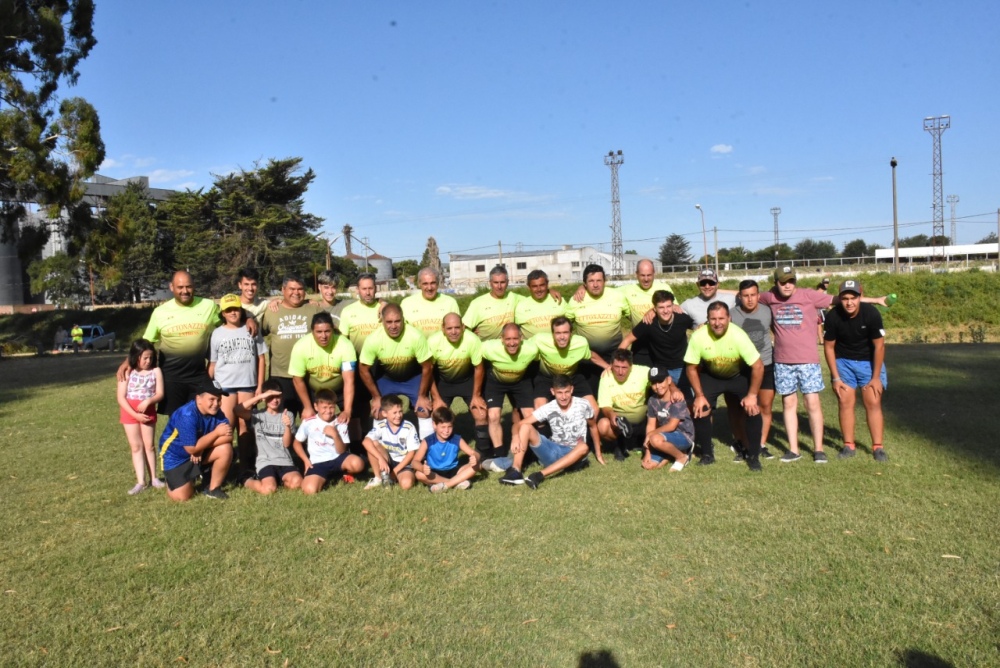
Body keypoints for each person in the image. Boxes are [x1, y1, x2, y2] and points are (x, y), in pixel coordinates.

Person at [124, 271, 221, 417]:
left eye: (188, 287)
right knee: (176, 421)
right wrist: (127, 362)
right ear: (171, 287)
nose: (185, 291)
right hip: (171, 378)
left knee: (200, 420)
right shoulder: (160, 312)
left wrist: (249, 318)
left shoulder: (208, 306)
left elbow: (231, 319)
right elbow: (146, 342)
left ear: (194, 286)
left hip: (199, 376)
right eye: (180, 287)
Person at [684, 301, 765, 471]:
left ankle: (754, 456)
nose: (717, 322)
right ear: (707, 319)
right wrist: (699, 396)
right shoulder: (698, 336)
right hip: (711, 376)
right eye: (713, 319)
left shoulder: (739, 335)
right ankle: (707, 454)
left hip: (738, 376)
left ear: (729, 318)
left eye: (721, 318)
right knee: (700, 408)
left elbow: (758, 366)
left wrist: (752, 395)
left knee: (753, 410)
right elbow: (691, 368)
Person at [485, 374, 594, 489]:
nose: (563, 397)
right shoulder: (549, 407)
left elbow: (593, 427)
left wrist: (598, 453)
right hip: (554, 449)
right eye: (559, 393)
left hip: (574, 456)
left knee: (583, 447)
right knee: (526, 427)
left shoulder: (583, 404)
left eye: (566, 392)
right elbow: (519, 424)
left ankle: (539, 475)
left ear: (572, 389)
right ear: (553, 391)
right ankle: (515, 471)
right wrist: (515, 436)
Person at [823, 280, 889, 462]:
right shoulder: (833, 316)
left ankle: (878, 447)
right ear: (840, 299)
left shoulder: (872, 314)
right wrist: (835, 377)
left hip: (869, 362)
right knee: (845, 402)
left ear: (860, 297)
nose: (849, 302)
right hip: (843, 362)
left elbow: (879, 346)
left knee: (873, 402)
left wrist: (876, 377)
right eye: (845, 298)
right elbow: (828, 347)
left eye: (853, 298)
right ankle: (848, 445)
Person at [208, 293, 267, 468]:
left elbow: (261, 358)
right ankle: (224, 463)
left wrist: (260, 386)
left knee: (246, 426)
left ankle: (246, 465)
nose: (233, 313)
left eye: (236, 309)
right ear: (223, 313)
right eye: (229, 310)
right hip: (225, 385)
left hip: (247, 384)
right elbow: (212, 363)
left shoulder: (252, 329)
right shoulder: (217, 334)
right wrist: (207, 388)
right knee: (227, 426)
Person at [358, 303, 434, 438]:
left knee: (423, 410)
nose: (393, 326)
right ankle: (379, 450)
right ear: (382, 321)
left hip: (412, 377)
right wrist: (376, 397)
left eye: (397, 321)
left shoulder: (415, 335)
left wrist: (422, 396)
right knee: (380, 412)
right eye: (389, 322)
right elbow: (363, 369)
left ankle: (426, 451)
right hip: (387, 378)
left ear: (403, 319)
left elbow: (427, 366)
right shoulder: (373, 339)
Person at [158, 379, 233, 501]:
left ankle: (213, 488)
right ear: (198, 399)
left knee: (226, 449)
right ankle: (176, 478)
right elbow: (191, 448)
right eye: (212, 399)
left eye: (219, 400)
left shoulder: (217, 412)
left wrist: (201, 448)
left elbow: (229, 436)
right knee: (182, 497)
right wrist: (216, 433)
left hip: (198, 450)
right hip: (176, 457)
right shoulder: (187, 415)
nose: (216, 403)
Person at [426, 313, 490, 455]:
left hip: (467, 380)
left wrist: (477, 395)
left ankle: (484, 452)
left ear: (463, 327)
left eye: (457, 328)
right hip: (444, 382)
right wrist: (436, 398)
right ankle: (438, 451)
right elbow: (428, 371)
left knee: (480, 413)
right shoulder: (433, 341)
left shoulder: (472, 339)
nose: (453, 332)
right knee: (437, 415)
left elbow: (479, 368)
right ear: (443, 329)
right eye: (449, 328)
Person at [260, 275, 322, 416]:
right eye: (292, 289)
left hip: (309, 374)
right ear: (283, 290)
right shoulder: (271, 311)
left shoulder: (313, 309)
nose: (296, 292)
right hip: (280, 375)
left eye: (300, 289)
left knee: (312, 418)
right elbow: (260, 332)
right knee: (284, 420)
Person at [564, 264, 630, 396]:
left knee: (617, 394)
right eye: (591, 281)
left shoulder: (617, 296)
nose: (595, 285)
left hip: (615, 355)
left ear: (605, 281)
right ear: (584, 283)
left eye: (599, 280)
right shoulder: (576, 300)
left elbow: (634, 319)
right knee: (590, 396)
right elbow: (563, 327)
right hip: (587, 358)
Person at [730, 280, 777, 461]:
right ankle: (743, 444)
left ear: (759, 295)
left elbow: (776, 331)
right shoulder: (732, 315)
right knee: (742, 409)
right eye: (745, 296)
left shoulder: (767, 311)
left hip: (766, 364)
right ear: (740, 296)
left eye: (753, 295)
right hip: (742, 368)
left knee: (765, 405)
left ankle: (761, 444)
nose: (750, 299)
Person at [480, 322, 539, 458]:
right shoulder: (488, 348)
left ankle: (532, 449)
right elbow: (472, 352)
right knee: (493, 416)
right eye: (508, 339)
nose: (512, 343)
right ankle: (499, 453)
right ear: (501, 339)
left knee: (530, 414)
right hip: (496, 382)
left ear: (521, 338)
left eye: (515, 339)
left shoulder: (531, 350)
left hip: (521, 381)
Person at [531, 316, 605, 422]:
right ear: (552, 334)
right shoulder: (540, 340)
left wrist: (608, 367)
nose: (562, 337)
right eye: (558, 333)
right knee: (539, 414)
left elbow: (591, 355)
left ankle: (584, 437)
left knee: (593, 410)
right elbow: (524, 348)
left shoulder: (580, 343)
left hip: (572, 377)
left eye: (565, 332)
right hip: (547, 378)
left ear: (571, 333)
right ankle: (549, 437)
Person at [234, 382, 303, 494]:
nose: (274, 400)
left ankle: (279, 479)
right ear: (265, 398)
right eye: (270, 397)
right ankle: (245, 479)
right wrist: (259, 396)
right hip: (265, 462)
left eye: (277, 397)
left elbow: (286, 444)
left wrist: (287, 426)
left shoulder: (287, 415)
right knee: (268, 490)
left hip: (284, 460)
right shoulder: (257, 415)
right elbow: (237, 410)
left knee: (297, 483)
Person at [292, 389, 365, 495]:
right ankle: (329, 478)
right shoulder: (308, 422)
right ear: (316, 407)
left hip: (337, 458)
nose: (328, 411)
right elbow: (296, 443)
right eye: (324, 407)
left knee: (358, 464)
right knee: (309, 490)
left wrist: (335, 435)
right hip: (318, 462)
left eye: (331, 407)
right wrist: (306, 461)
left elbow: (341, 451)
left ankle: (342, 474)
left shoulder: (340, 421)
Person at [288, 311, 357, 423]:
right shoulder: (300, 347)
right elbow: (297, 380)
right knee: (309, 419)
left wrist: (348, 410)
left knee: (352, 419)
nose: (323, 336)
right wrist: (308, 407)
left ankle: (354, 440)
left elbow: (349, 381)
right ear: (312, 331)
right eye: (319, 332)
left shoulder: (345, 345)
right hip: (313, 391)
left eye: (327, 331)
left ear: (333, 329)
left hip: (340, 390)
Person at [117, 339, 165, 495]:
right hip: (130, 412)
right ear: (136, 356)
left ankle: (154, 478)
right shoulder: (127, 372)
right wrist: (135, 414)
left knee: (149, 445)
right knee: (136, 446)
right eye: (145, 357)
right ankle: (141, 481)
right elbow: (121, 398)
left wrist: (149, 401)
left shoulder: (155, 371)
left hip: (148, 411)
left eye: (151, 357)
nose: (148, 361)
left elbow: (160, 393)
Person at [596, 349, 651, 463]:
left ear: (631, 366)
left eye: (624, 367)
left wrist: (674, 390)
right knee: (602, 426)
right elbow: (605, 406)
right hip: (621, 424)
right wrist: (612, 415)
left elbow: (663, 380)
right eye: (616, 367)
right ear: (611, 365)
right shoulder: (606, 377)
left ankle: (645, 442)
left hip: (644, 422)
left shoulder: (643, 372)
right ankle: (619, 444)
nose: (620, 372)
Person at [618, 290, 693, 374]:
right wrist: (616, 363)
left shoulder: (682, 319)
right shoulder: (649, 322)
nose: (665, 311)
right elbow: (627, 340)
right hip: (660, 369)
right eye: (661, 307)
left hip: (681, 367)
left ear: (673, 306)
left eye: (668, 306)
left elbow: (697, 329)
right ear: (654, 309)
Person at [361, 394, 421, 490]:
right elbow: (365, 442)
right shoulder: (381, 425)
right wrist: (380, 458)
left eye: (400, 411)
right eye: (394, 413)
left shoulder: (408, 427)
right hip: (387, 460)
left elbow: (411, 453)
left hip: (404, 462)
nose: (398, 415)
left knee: (406, 485)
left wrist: (396, 470)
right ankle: (378, 478)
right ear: (385, 414)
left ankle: (394, 477)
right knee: (373, 443)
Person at [413, 406, 480, 493]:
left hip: (453, 470)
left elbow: (474, 453)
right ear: (434, 425)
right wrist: (422, 468)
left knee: (478, 465)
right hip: (434, 472)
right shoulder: (427, 441)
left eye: (449, 427)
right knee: (419, 474)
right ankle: (457, 482)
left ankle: (445, 485)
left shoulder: (457, 439)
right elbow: (414, 462)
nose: (447, 431)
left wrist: (475, 457)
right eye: (443, 427)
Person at [642, 367, 694, 472]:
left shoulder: (677, 398)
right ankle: (670, 454)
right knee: (649, 466)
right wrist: (647, 451)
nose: (658, 386)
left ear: (669, 380)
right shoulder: (652, 400)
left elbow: (672, 426)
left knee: (655, 439)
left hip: (683, 435)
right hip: (664, 436)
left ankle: (681, 457)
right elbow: (650, 425)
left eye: (661, 381)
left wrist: (650, 435)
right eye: (654, 383)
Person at [462, 265, 522, 341]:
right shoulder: (477, 303)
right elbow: (464, 328)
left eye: (502, 282)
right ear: (490, 283)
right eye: (496, 282)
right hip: (485, 349)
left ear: (507, 282)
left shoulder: (515, 298)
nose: (499, 286)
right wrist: (472, 335)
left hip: (509, 348)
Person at [401, 267, 460, 336]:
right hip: (415, 346)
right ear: (419, 284)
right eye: (425, 284)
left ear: (438, 283)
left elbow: (458, 329)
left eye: (433, 283)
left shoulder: (450, 303)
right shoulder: (406, 304)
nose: (429, 288)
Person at [619, 259, 674, 328]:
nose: (646, 279)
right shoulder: (626, 290)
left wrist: (654, 310)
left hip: (662, 336)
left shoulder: (664, 288)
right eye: (642, 275)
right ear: (636, 274)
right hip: (639, 336)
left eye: (649, 275)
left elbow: (675, 308)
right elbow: (606, 292)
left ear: (654, 273)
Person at [514, 269, 567, 338]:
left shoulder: (558, 300)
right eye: (534, 286)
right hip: (533, 348)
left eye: (542, 285)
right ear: (528, 287)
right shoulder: (521, 306)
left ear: (547, 284)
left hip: (556, 347)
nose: (539, 289)